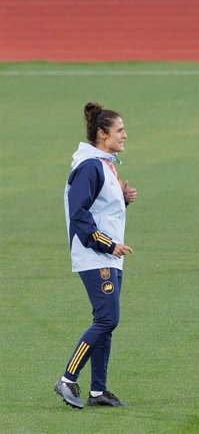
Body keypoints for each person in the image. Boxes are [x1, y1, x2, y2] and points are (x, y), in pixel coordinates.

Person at [54, 102, 137, 409]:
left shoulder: (103, 164)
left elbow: (100, 208)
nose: (125, 135)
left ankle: (98, 391)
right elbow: (79, 214)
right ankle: (67, 380)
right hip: (96, 255)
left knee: (107, 321)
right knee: (106, 318)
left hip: (109, 255)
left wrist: (123, 200)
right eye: (119, 130)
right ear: (102, 134)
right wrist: (107, 244)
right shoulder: (90, 166)